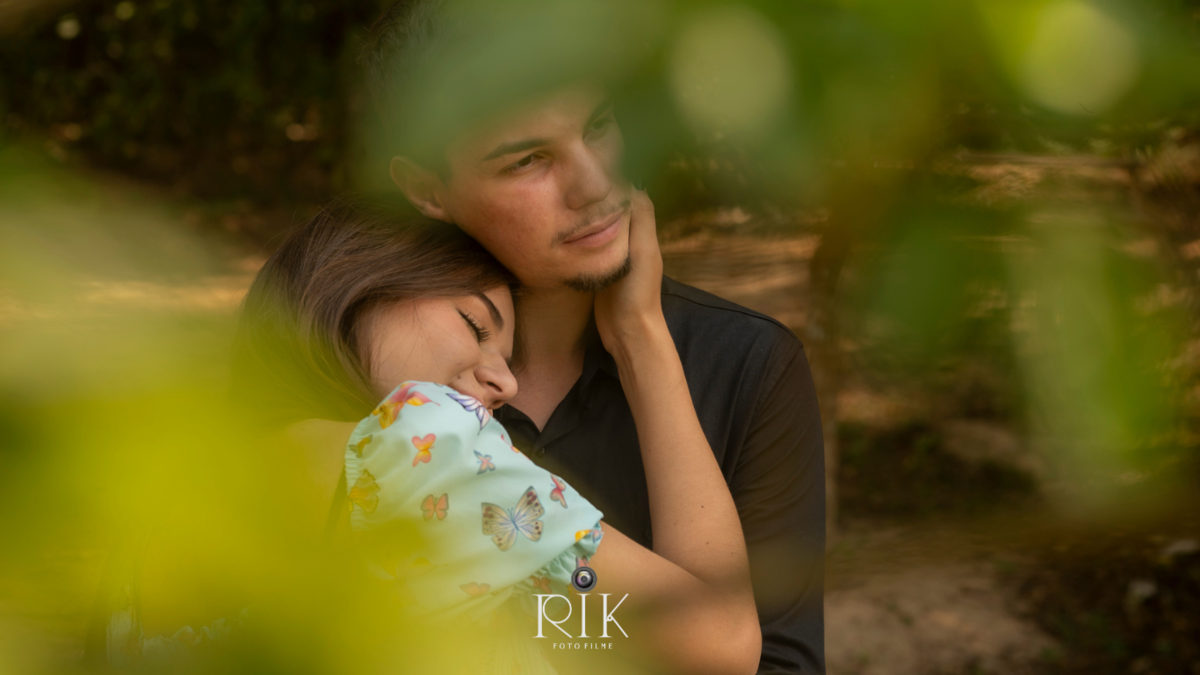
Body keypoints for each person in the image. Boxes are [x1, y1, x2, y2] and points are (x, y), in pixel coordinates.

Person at [90, 198, 762, 674]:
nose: (506, 384)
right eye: (476, 326)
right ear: (358, 285)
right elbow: (722, 642)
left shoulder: (157, 505)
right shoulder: (427, 445)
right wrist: (642, 335)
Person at [358, 2, 826, 672]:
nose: (597, 184)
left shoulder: (749, 364)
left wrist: (640, 338)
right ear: (426, 188)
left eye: (600, 126)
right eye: (528, 160)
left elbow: (771, 664)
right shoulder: (361, 353)